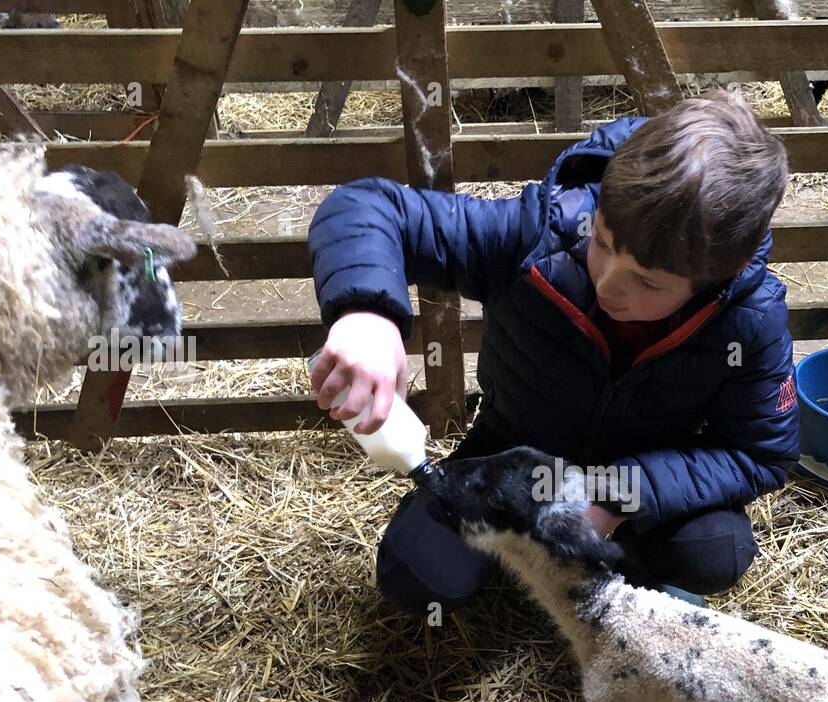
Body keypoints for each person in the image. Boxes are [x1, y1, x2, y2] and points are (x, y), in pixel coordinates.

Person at [307, 90, 800, 616]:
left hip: (636, 476)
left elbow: (760, 454)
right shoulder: (536, 236)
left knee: (714, 550)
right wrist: (365, 315)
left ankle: (625, 552)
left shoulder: (749, 321)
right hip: (511, 457)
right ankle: (526, 547)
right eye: (604, 243)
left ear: (712, 280)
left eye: (648, 283)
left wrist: (618, 496)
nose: (608, 284)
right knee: (419, 574)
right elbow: (365, 208)